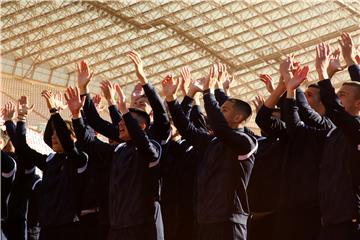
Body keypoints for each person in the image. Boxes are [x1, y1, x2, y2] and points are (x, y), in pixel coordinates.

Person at [163, 65, 257, 240]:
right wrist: (171, 99)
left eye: (224, 110)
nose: (217, 113)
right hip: (205, 220)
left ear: (238, 118)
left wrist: (208, 93)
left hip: (229, 222)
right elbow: (186, 128)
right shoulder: (212, 141)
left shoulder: (246, 142)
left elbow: (220, 126)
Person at [66, 85, 162, 240]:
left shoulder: (153, 148)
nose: (120, 124)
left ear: (142, 126)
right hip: (117, 228)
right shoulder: (118, 150)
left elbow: (145, 145)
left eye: (126, 122)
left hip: (142, 228)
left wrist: (123, 110)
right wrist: (77, 115)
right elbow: (89, 141)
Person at [15, 93, 88, 240]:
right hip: (47, 228)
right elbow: (22, 148)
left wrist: (55, 112)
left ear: (73, 137)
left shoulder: (79, 159)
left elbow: (68, 145)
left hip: (69, 228)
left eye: (59, 134)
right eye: (53, 134)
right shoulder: (49, 161)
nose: (54, 137)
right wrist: (21, 119)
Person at [315, 39, 360, 240]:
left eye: (342, 95)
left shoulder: (356, 128)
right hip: (330, 217)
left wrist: (323, 73)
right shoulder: (334, 132)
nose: (337, 97)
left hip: (350, 218)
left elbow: (334, 108)